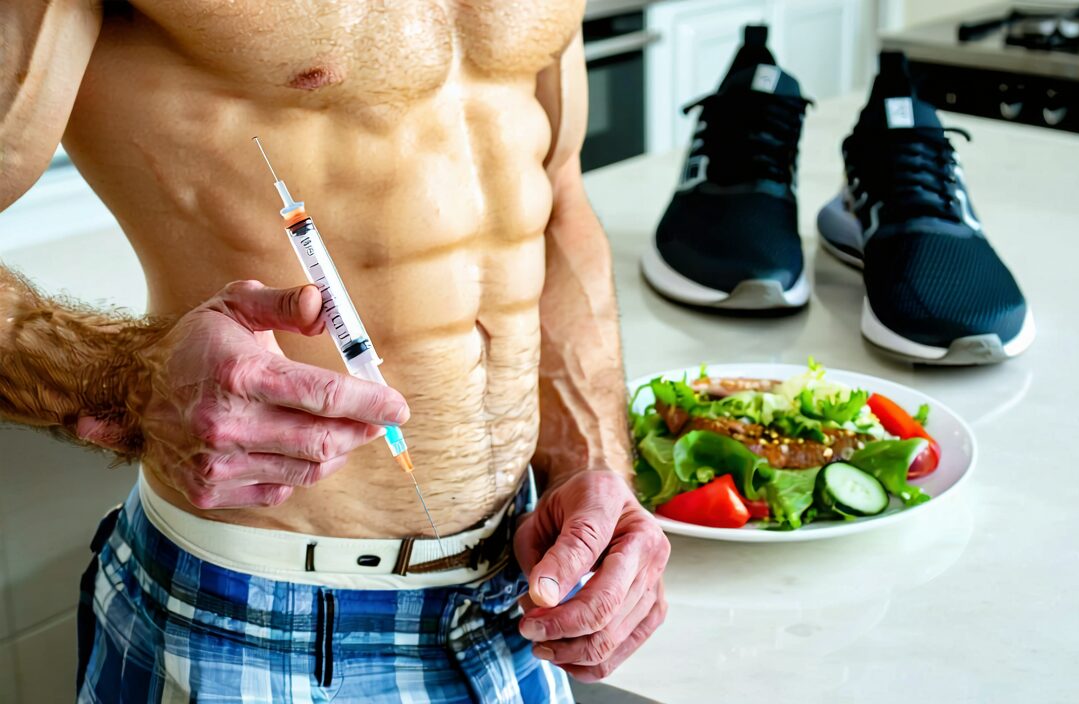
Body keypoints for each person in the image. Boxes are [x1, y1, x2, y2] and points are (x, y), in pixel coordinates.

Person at [0, 1, 669, 701]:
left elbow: (555, 193)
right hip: (253, 618)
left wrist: (593, 474)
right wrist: (126, 379)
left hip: (515, 603)